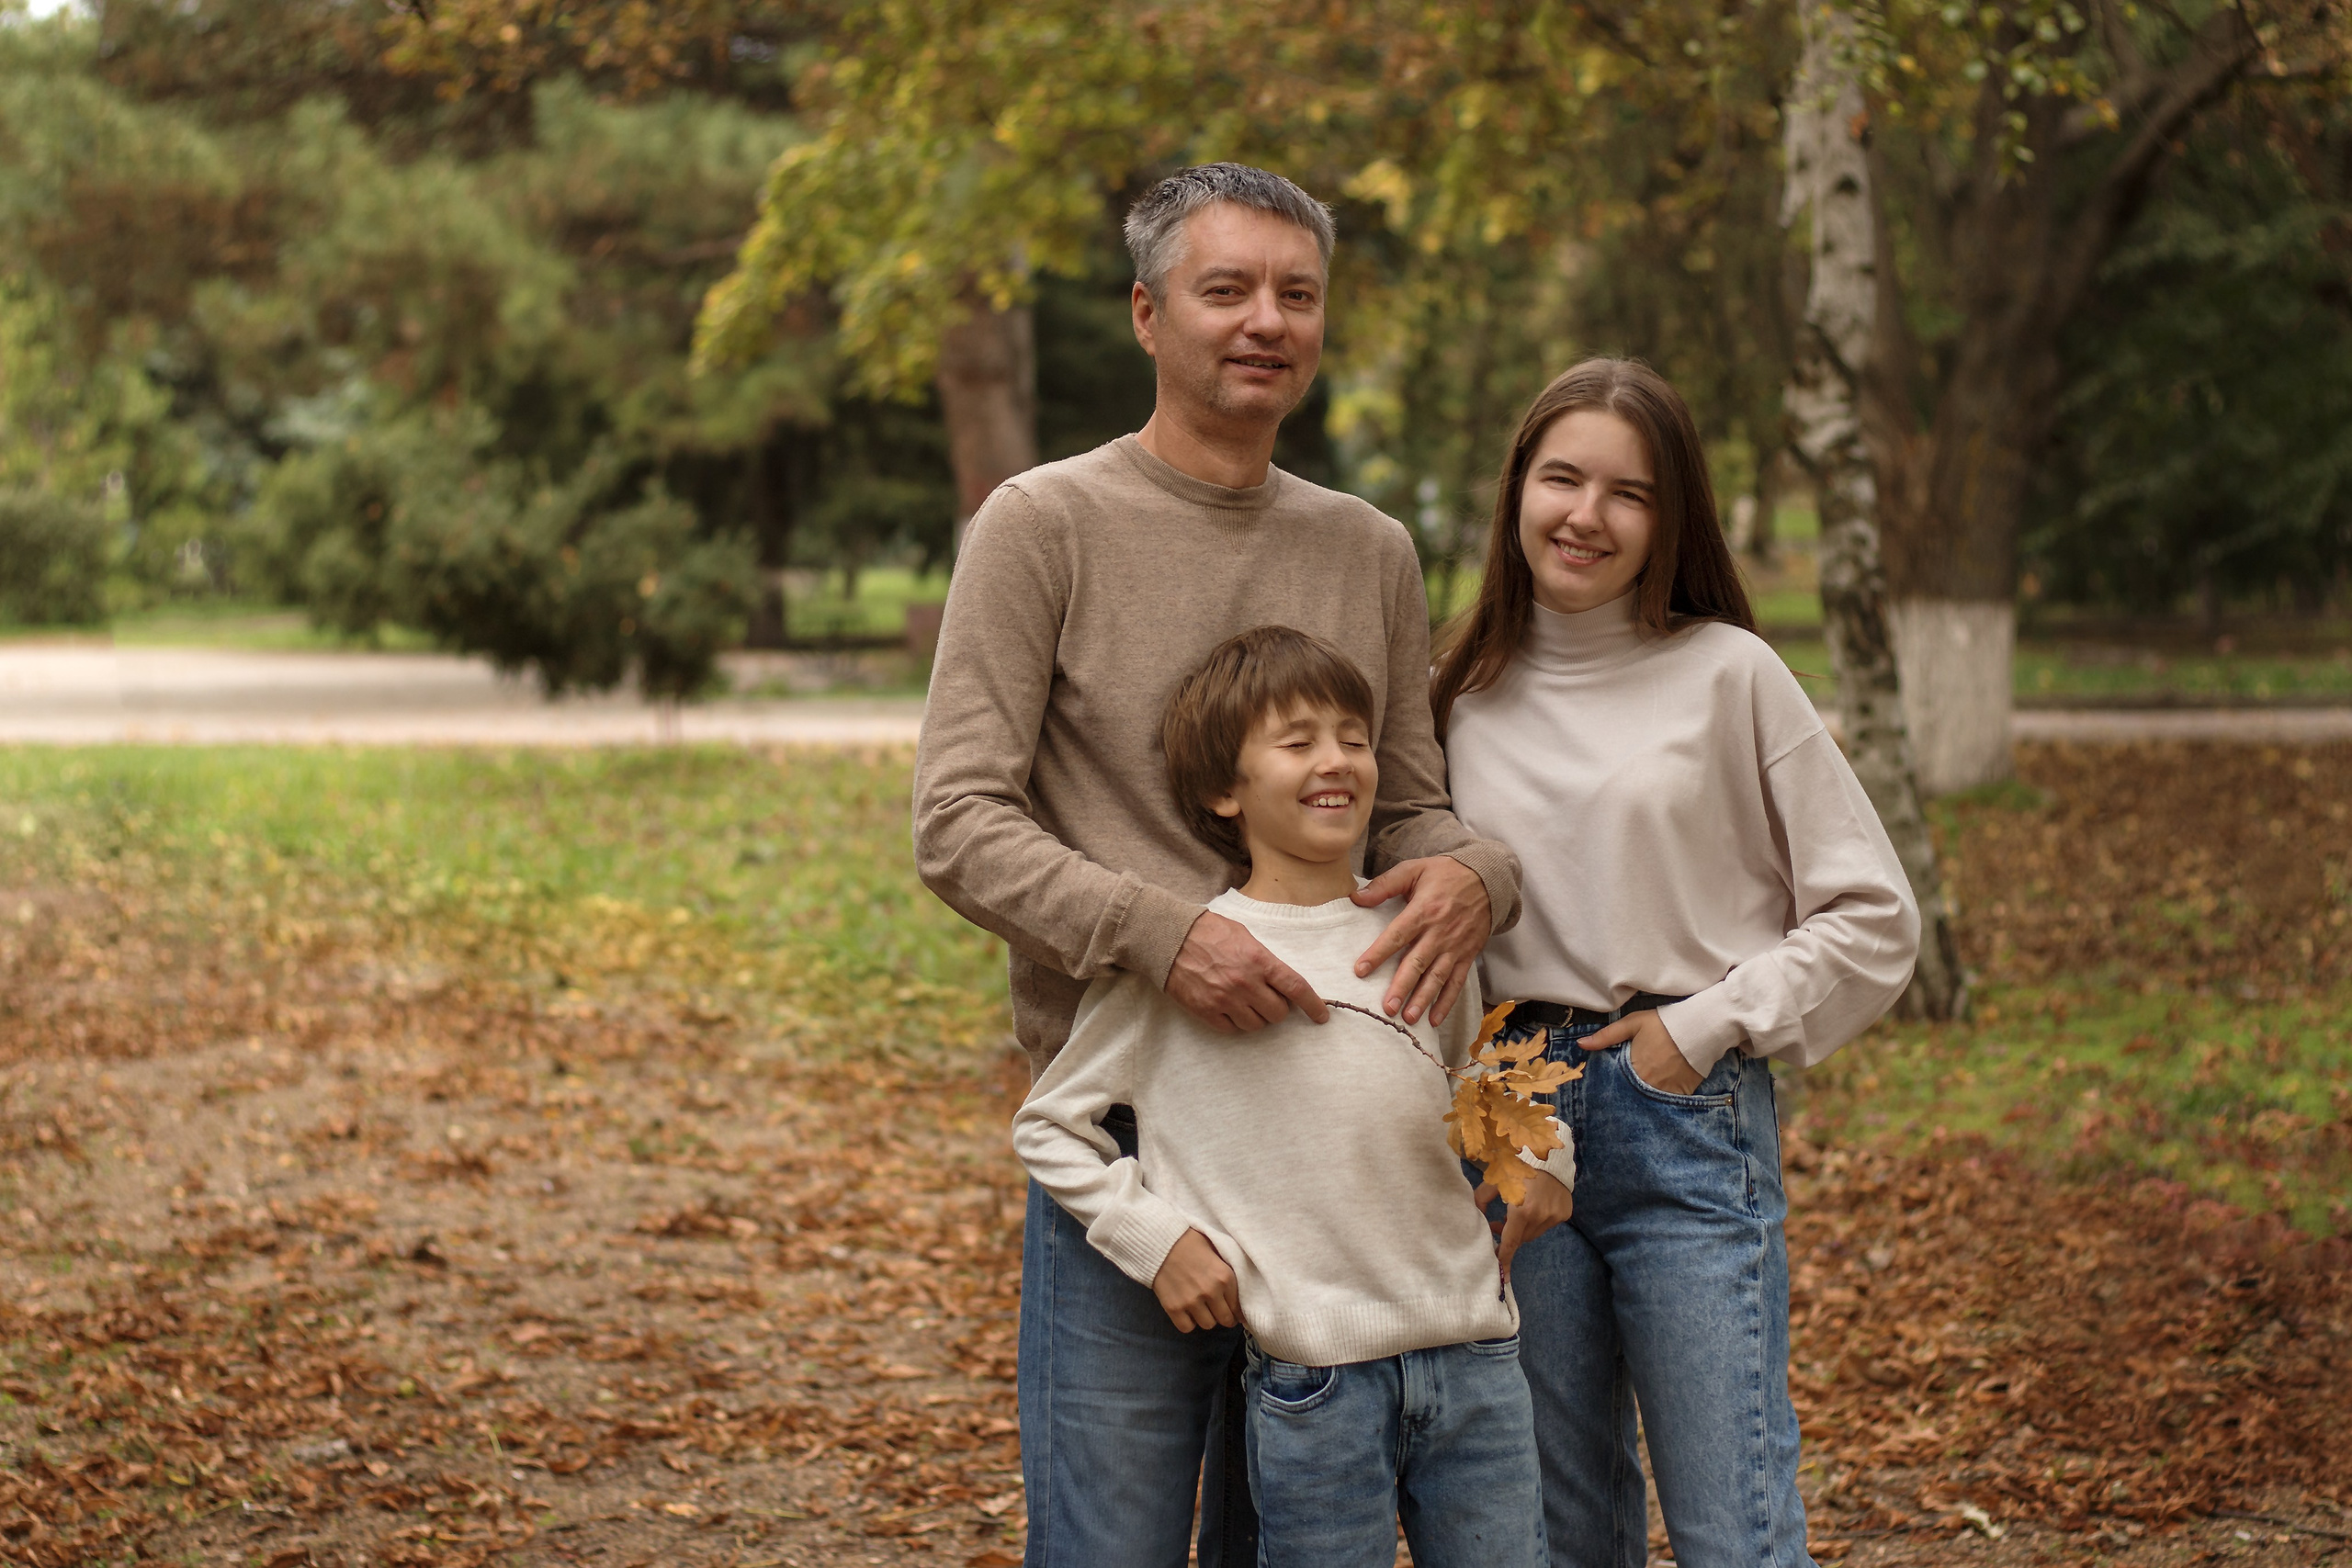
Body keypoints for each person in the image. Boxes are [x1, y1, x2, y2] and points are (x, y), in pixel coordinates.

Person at [910, 163, 1530, 1567]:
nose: (1268, 321)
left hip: (1334, 1183)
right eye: (1227, 289)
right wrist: (1161, 930)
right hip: (1141, 1141)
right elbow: (955, 816)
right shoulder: (1041, 524)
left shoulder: (1364, 546)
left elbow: (1411, 810)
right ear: (1147, 311)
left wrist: (1484, 871)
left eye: (1296, 294)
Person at [1435, 357, 1921, 1568]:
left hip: (1680, 1102)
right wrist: (1498, 1111)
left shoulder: (1729, 673)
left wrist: (1701, 1026)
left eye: (1627, 492)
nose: (1585, 515)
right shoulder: (1454, 690)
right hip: (1509, 1101)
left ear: (1671, 518)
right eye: (1561, 478)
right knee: (1559, 1523)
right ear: (1515, 492)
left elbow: (1874, 914)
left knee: (1733, 1520)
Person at [1012, 626, 1562, 1568]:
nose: (1336, 760)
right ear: (1225, 791)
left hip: (1475, 1355)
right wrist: (1157, 1242)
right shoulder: (1185, 962)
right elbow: (1050, 1125)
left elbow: (1479, 1075)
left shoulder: (1419, 930)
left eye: (1352, 737)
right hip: (1313, 1383)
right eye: (1296, 741)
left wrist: (1543, 1158)